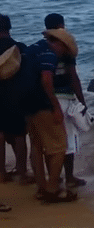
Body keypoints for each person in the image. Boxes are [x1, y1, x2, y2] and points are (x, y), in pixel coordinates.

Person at [25, 28, 78, 202]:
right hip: (42, 103)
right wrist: (55, 107)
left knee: (37, 145)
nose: (63, 54)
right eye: (65, 49)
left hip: (25, 102)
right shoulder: (49, 54)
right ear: (60, 44)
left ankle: (41, 187)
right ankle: (52, 188)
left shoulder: (34, 48)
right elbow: (47, 81)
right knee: (60, 145)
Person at [44, 14, 87, 189]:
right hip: (64, 98)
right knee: (68, 141)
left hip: (46, 99)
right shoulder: (66, 49)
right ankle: (69, 177)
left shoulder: (42, 48)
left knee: (51, 142)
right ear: (61, 26)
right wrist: (82, 101)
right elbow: (73, 77)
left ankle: (54, 177)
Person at [0, 14, 30, 185]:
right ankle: (22, 173)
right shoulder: (18, 47)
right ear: (9, 28)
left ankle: (2, 173)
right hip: (16, 96)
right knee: (19, 135)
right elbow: (27, 74)